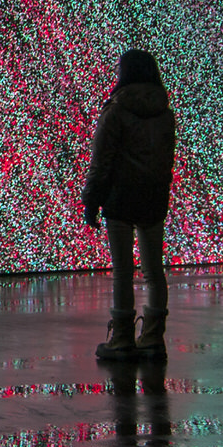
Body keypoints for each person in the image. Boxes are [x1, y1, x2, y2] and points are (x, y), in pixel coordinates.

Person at [80, 49, 177, 360]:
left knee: (123, 272)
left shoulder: (115, 111)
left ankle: (121, 338)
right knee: (153, 271)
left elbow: (101, 162)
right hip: (154, 197)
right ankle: (153, 337)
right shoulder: (165, 111)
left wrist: (91, 200)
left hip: (120, 198)